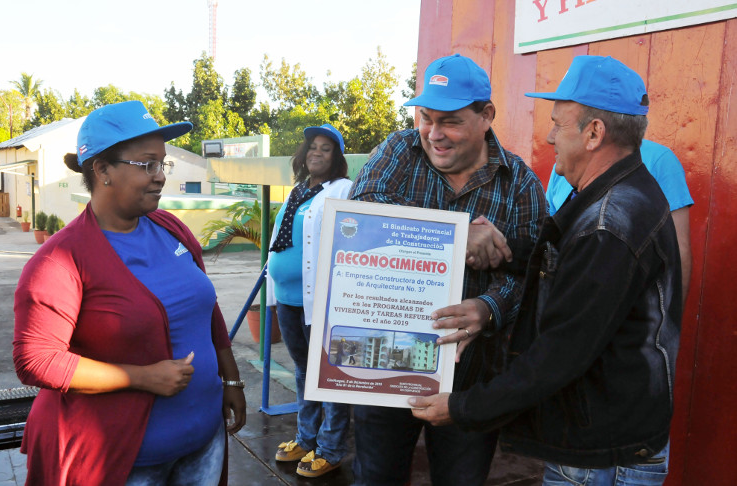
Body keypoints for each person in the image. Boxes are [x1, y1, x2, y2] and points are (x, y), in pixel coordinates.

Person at [411, 55, 682, 486]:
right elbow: (568, 261)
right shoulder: (613, 193)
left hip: (600, 457)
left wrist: (462, 407)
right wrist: (507, 250)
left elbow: (559, 353)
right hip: (602, 440)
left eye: (559, 123)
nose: (550, 136)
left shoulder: (609, 224)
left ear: (594, 133)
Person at [12, 100, 246, 486]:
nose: (160, 176)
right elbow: (36, 360)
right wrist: (140, 377)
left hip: (203, 441)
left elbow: (207, 311)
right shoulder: (61, 260)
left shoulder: (171, 228)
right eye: (147, 164)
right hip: (124, 462)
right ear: (102, 169)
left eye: (163, 164)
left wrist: (231, 380)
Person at [349, 54, 546, 485]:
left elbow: (534, 272)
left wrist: (489, 308)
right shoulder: (401, 150)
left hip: (470, 382)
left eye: (451, 121)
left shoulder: (521, 184)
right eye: (426, 118)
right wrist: (456, 236)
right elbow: (361, 215)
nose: (434, 135)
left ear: (486, 116)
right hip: (384, 367)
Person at [266, 123, 352, 478]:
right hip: (288, 298)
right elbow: (279, 241)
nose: (316, 152)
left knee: (329, 374)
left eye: (326, 148)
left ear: (337, 158)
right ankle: (307, 437)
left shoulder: (343, 190)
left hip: (321, 301)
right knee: (304, 370)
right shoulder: (297, 191)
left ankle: (330, 449)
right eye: (312, 147)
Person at [546, 139, 693, 298]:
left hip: (626, 302)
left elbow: (678, 250)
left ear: (596, 127)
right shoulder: (562, 166)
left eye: (560, 124)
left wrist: (670, 321)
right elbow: (550, 242)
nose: (551, 137)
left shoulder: (660, 159)